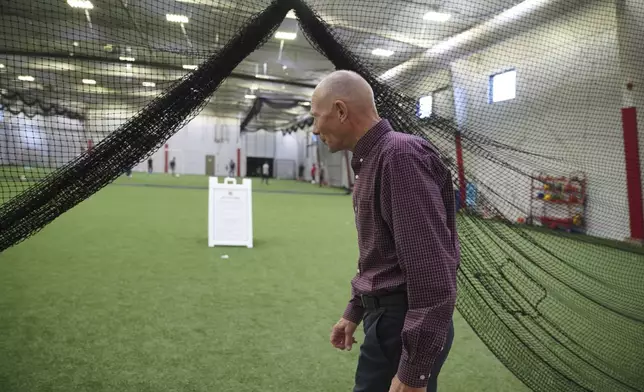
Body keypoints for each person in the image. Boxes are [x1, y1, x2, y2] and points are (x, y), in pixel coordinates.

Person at [311, 70, 459, 392]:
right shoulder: (375, 160)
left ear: (340, 111)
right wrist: (355, 310)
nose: (314, 128)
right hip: (388, 319)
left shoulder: (398, 157)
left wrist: (414, 370)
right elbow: (380, 255)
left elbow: (432, 271)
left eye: (316, 117)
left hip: (402, 325)